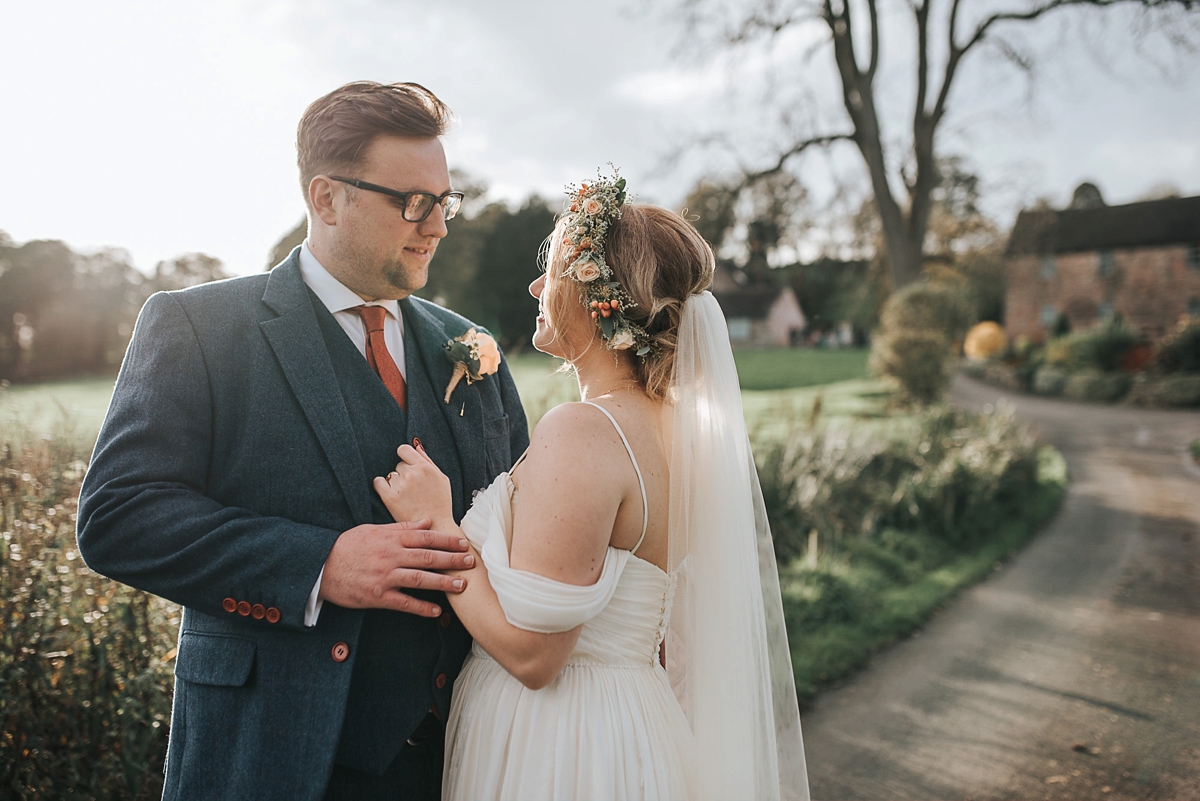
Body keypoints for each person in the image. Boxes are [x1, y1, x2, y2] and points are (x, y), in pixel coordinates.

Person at [75, 81, 528, 800]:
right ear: (326, 198)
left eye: (446, 200)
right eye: (412, 202)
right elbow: (117, 517)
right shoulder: (198, 327)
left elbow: (524, 531)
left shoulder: (467, 346)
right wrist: (319, 564)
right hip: (274, 759)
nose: (437, 225)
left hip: (468, 763)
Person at [375, 172, 810, 800]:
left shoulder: (586, 430)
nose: (533, 286)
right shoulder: (678, 430)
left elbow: (533, 657)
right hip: (632, 722)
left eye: (549, 271)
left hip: (562, 744)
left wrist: (437, 523)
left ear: (596, 295)